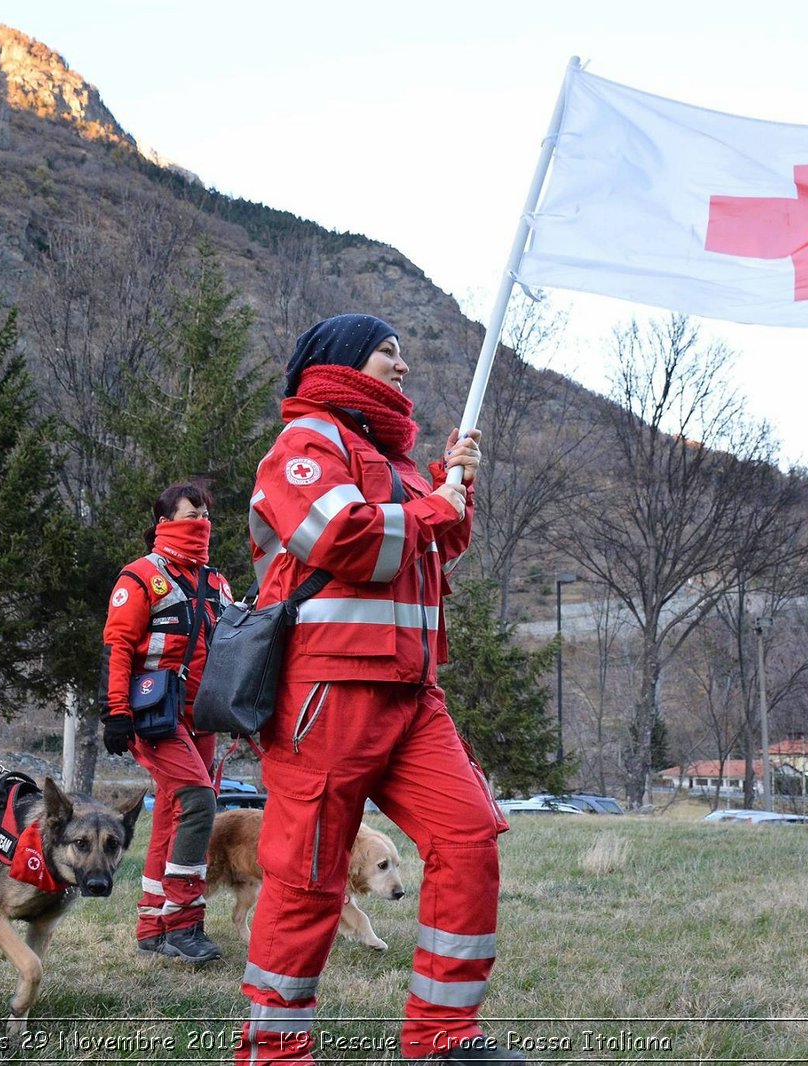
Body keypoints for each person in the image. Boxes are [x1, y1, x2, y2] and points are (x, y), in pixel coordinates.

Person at [235, 314, 524, 1065]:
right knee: (308, 879)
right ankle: (273, 1053)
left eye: (403, 353)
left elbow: (433, 554)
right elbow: (341, 537)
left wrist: (452, 487)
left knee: (468, 838)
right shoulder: (306, 443)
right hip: (326, 693)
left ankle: (441, 1037)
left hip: (412, 695)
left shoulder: (393, 461)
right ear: (340, 361)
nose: (403, 364)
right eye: (388, 351)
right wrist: (432, 505)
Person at [100, 483, 234, 966]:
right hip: (155, 714)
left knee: (173, 813)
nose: (201, 520)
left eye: (205, 512)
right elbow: (117, 646)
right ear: (164, 522)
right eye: (190, 512)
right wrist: (116, 711)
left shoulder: (217, 582)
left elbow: (226, 651)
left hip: (204, 717)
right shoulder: (140, 577)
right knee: (199, 801)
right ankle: (183, 921)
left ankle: (153, 923)